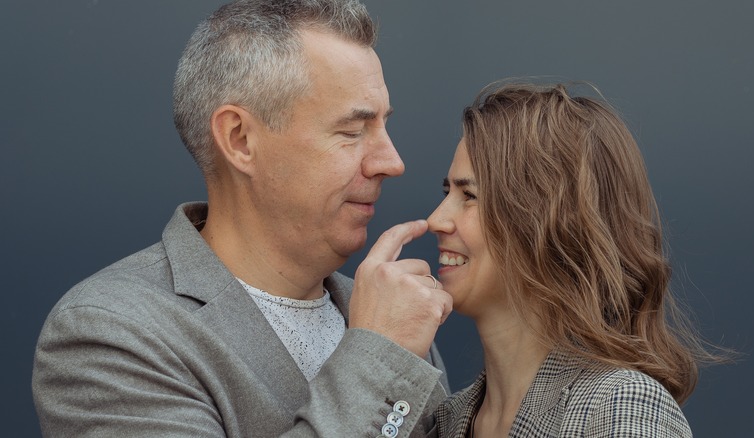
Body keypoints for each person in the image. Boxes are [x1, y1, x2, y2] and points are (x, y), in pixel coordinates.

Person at [32, 1, 453, 436]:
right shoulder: (112, 332)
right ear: (240, 140)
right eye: (352, 131)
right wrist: (380, 356)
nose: (392, 161)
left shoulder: (388, 314)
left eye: (384, 126)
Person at [428, 82, 719, 437]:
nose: (436, 220)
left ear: (543, 220)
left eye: (468, 195)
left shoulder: (619, 405)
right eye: (447, 192)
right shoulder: (446, 421)